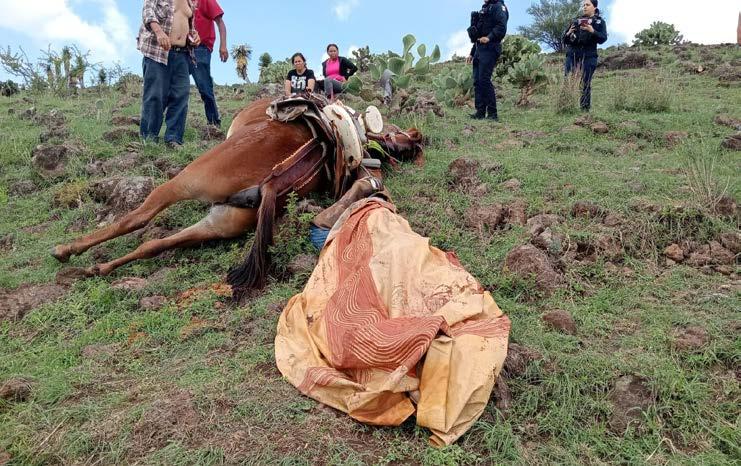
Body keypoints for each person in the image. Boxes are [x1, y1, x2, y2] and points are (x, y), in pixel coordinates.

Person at [137, 0, 200, 148]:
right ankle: (149, 139)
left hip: (182, 54)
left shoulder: (190, 2)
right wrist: (159, 32)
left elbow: (187, 26)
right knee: (155, 96)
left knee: (181, 96)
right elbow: (148, 12)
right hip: (158, 53)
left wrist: (194, 36)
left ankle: (174, 138)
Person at [466, 0, 508, 121]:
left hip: (491, 47)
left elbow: (501, 26)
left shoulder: (499, 7)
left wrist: (489, 37)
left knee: (484, 79)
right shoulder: (485, 9)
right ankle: (480, 112)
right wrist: (472, 53)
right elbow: (479, 35)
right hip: (479, 48)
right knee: (477, 81)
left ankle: (492, 114)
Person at [189, 0, 228, 127]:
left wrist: (223, 45)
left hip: (201, 48)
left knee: (204, 87)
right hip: (182, 48)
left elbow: (220, 23)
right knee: (175, 86)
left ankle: (213, 123)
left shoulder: (205, 1)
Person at [563, 0, 608, 111]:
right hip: (572, 55)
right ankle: (565, 107)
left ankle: (584, 110)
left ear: (594, 7)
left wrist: (592, 31)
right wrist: (568, 33)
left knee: (585, 82)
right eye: (583, 5)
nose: (584, 7)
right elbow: (565, 40)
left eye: (587, 5)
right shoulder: (575, 21)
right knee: (568, 80)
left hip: (589, 56)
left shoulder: (599, 22)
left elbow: (603, 39)